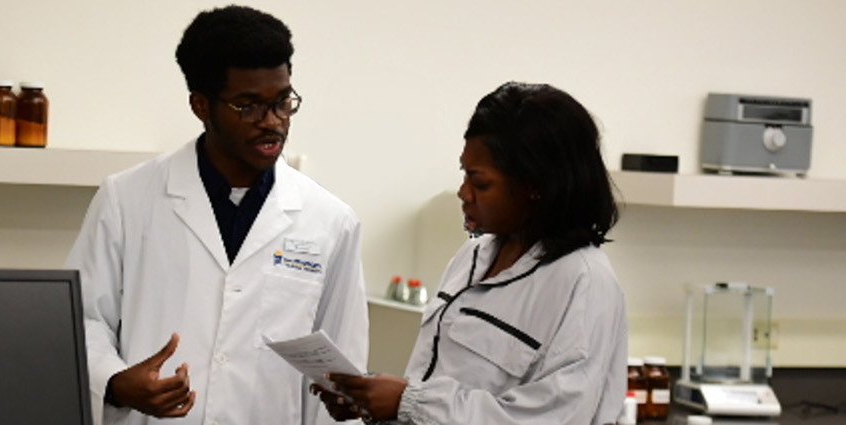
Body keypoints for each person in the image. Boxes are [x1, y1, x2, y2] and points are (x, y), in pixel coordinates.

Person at [65, 5, 368, 425]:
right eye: (248, 106)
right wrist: (116, 382)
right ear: (201, 105)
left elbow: (339, 374)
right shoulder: (127, 199)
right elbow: (82, 320)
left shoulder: (330, 221)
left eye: (282, 102)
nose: (273, 123)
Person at [317, 82, 629, 424]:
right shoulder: (473, 256)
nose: (463, 193)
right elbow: (444, 385)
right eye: (464, 175)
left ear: (535, 187)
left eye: (480, 183)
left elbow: (553, 416)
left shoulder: (583, 280)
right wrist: (375, 403)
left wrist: (408, 403)